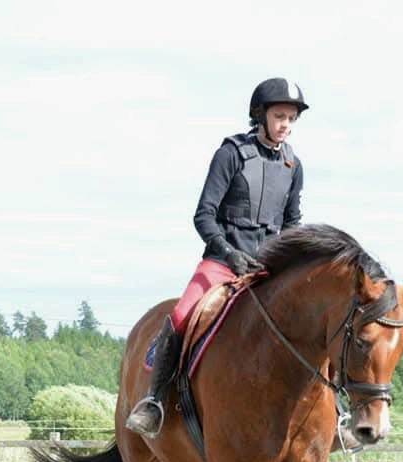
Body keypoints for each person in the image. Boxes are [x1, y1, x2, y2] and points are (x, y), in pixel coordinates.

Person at [125, 77, 309, 438]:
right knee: (179, 316)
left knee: (316, 319)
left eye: (291, 118)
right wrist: (230, 252)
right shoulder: (231, 153)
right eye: (280, 116)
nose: (286, 124)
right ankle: (154, 402)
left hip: (267, 270)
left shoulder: (293, 165)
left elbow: (292, 223)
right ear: (261, 115)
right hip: (222, 262)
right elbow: (203, 216)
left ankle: (336, 413)